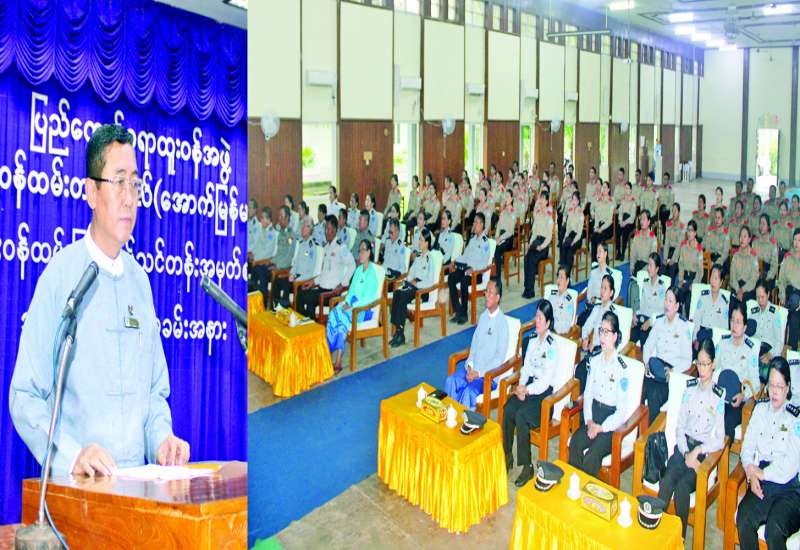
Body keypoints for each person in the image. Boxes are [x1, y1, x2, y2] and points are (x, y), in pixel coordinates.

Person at [10, 123, 189, 476]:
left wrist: (162, 439)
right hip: (80, 491)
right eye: (118, 181)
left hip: (138, 491)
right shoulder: (61, 277)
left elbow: (155, 393)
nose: (129, 198)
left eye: (135, 184)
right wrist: (72, 455)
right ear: (91, 192)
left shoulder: (140, 282)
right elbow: (25, 396)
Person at [657, 338, 726, 539]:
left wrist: (698, 451)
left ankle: (680, 539)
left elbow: (720, 438)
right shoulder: (690, 388)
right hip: (683, 448)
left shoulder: (718, 395)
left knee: (682, 488)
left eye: (706, 364)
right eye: (699, 363)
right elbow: (679, 427)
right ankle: (656, 532)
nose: (702, 369)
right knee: (667, 480)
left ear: (713, 364)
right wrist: (687, 451)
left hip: (701, 454)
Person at [736, 357, 800, 550]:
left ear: (788, 387)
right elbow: (746, 448)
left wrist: (762, 473)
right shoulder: (760, 410)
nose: (774, 391)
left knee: (774, 529)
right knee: (744, 518)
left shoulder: (795, 417)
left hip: (789, 488)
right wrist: (750, 472)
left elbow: (790, 465)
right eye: (771, 385)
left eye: (779, 386)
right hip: (762, 483)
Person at [504, 300, 558, 486]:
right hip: (528, 389)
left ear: (548, 323)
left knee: (522, 416)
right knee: (508, 408)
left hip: (543, 396)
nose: (537, 321)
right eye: (536, 316)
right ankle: (507, 455)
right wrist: (520, 386)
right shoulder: (533, 340)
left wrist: (527, 390)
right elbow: (526, 368)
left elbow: (545, 382)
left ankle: (527, 466)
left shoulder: (552, 346)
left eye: (540, 318)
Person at [568, 311, 629, 477]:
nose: (602, 336)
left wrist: (601, 428)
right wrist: (589, 421)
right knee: (575, 443)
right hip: (593, 416)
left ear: (615, 336)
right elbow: (587, 395)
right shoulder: (594, 361)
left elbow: (621, 411)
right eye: (601, 331)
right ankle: (575, 486)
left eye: (606, 332)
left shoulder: (621, 368)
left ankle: (585, 491)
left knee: (591, 456)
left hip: (610, 425)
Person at [444, 280, 509, 408]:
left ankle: (465, 420)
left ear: (497, 298)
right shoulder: (483, 316)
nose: (486, 295)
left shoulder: (502, 324)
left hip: (488, 377)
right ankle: (450, 416)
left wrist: (478, 373)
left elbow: (498, 359)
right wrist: (470, 366)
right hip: (473, 371)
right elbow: (474, 347)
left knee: (469, 392)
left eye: (490, 292)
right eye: (486, 291)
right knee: (451, 381)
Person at [326, 239, 379, 374]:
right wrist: (347, 302)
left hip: (363, 310)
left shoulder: (372, 273)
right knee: (334, 313)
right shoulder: (358, 270)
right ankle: (327, 354)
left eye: (363, 250)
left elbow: (369, 298)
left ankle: (338, 362)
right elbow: (351, 291)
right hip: (352, 305)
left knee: (342, 319)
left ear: (369, 252)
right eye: (359, 250)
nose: (360, 253)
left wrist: (352, 305)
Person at [641, 287, 692, 423]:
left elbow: (688, 360)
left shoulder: (683, 327)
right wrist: (646, 363)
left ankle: (651, 433)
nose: (666, 304)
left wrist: (673, 371)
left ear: (677, 306)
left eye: (670, 301)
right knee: (639, 388)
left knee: (654, 395)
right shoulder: (658, 322)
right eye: (665, 300)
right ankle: (636, 431)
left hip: (669, 375)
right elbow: (647, 347)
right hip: (654, 368)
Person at [715, 303, 761, 446]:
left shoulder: (750, 349)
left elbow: (756, 384)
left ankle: (720, 457)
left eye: (738, 322)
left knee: (726, 421)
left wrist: (743, 395)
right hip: (720, 395)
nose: (734, 325)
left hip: (737, 401)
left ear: (745, 327)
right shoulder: (722, 343)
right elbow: (713, 367)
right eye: (732, 320)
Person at [296, 215, 355, 319]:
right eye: (325, 229)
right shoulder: (326, 247)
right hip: (321, 288)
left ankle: (310, 324)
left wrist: (342, 284)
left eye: (329, 229)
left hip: (331, 293)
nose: (327, 232)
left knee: (309, 299)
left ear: (335, 230)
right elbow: (324, 273)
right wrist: (313, 282)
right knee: (301, 293)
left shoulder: (341, 247)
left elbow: (352, 265)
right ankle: (305, 323)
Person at [389, 229, 436, 347]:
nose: (419, 242)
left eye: (421, 240)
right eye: (419, 239)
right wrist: (408, 281)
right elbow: (411, 273)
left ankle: (400, 334)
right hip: (413, 287)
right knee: (397, 293)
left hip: (422, 291)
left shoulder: (430, 259)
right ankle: (397, 331)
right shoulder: (418, 257)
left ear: (427, 243)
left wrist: (417, 284)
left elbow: (430, 282)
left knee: (403, 296)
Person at [575, 274, 618, 393]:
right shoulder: (597, 308)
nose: (602, 291)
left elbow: (611, 340)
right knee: (580, 371)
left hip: (603, 353)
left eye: (605, 288)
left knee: (587, 375)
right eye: (601, 287)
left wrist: (595, 345)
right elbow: (586, 326)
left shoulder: (612, 314)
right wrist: (585, 338)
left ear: (611, 293)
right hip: (592, 353)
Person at [447, 212, 491, 325]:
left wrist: (473, 269)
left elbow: (485, 263)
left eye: (476, 222)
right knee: (451, 277)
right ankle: (458, 311)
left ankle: (464, 314)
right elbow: (465, 256)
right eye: (474, 222)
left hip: (476, 274)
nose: (474, 225)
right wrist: (455, 261)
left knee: (464, 281)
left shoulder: (485, 242)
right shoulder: (472, 240)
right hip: (466, 270)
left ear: (482, 224)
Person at [271, 219, 316, 309]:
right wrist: (291, 274)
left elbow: (310, 272)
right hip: (294, 277)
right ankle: (275, 308)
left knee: (286, 285)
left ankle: (284, 309)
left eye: (306, 226)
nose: (303, 228)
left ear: (311, 230)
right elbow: (295, 264)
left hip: (302, 281)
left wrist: (296, 278)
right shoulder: (302, 244)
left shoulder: (312, 247)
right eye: (303, 226)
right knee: (277, 281)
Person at [522, 191, 554, 299]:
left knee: (531, 259)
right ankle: (527, 287)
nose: (541, 201)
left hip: (543, 246)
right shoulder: (538, 214)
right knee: (526, 258)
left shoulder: (549, 217)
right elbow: (534, 232)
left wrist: (542, 246)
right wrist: (529, 244)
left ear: (547, 202)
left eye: (544, 199)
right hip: (536, 242)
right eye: (540, 198)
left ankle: (530, 291)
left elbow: (549, 237)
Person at [751, 279, 785, 383]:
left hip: (768, 350)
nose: (760, 301)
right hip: (754, 349)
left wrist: (770, 354)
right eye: (758, 297)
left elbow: (779, 342)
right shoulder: (753, 312)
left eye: (762, 297)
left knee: (765, 374)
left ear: (768, 294)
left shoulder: (774, 313)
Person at [631, 253, 666, 347]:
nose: (648, 268)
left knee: (644, 339)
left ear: (657, 269)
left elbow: (662, 312)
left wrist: (650, 321)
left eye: (651, 265)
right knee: (630, 337)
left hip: (652, 324)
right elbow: (642, 306)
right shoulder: (645, 283)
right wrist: (635, 314)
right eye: (648, 265)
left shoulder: (661, 287)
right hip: (642, 320)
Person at [692, 264, 730, 347]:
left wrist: (719, 344)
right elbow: (696, 319)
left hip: (714, 337)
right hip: (701, 335)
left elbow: (724, 327)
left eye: (716, 278)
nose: (713, 281)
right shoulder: (703, 297)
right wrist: (695, 339)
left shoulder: (724, 303)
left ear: (721, 282)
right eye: (712, 277)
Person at [577, 243, 613, 327]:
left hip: (601, 309)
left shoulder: (608, 274)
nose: (598, 254)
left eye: (600, 251)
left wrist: (596, 300)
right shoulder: (593, 272)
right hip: (590, 307)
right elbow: (589, 290)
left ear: (605, 254)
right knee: (579, 322)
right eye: (597, 252)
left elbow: (608, 298)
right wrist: (589, 300)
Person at [675, 220, 704, 315]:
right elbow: (681, 265)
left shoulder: (699, 249)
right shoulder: (683, 246)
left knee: (688, 303)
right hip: (684, 278)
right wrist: (680, 279)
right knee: (676, 297)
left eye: (691, 231)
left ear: (695, 233)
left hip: (693, 279)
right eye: (688, 230)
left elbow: (700, 271)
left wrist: (694, 284)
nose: (689, 233)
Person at [779, 228, 800, 349]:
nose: (796, 243)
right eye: (795, 240)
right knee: (794, 312)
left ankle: (791, 348)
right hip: (788, 294)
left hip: (798, 297)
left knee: (794, 315)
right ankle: (791, 349)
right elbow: (781, 280)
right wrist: (782, 295)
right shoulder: (787, 257)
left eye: (799, 240)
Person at [730, 225, 760, 311]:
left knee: (743, 303)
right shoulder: (735, 256)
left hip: (748, 289)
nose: (742, 239)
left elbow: (753, 279)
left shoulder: (753, 256)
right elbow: (732, 277)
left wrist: (742, 290)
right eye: (740, 236)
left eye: (745, 236)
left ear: (749, 239)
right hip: (736, 286)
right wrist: (738, 290)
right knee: (731, 302)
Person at [494, 190, 517, 281]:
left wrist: (500, 238)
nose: (505, 198)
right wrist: (496, 237)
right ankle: (490, 275)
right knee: (490, 246)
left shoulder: (513, 212)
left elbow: (510, 231)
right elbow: (499, 225)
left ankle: (497, 279)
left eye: (507, 197)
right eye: (505, 196)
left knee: (497, 250)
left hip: (508, 239)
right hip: (500, 236)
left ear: (511, 199)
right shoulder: (503, 211)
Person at [560, 191, 584, 277]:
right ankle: (563, 270)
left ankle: (567, 275)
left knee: (569, 250)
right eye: (572, 199)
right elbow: (568, 228)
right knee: (564, 245)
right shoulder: (570, 211)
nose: (573, 201)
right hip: (570, 235)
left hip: (577, 238)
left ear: (578, 201)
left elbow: (580, 233)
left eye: (575, 200)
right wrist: (565, 237)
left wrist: (573, 242)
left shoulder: (581, 213)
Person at [753, 214, 779, 292]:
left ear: (768, 227)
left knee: (762, 288)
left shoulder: (773, 243)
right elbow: (752, 261)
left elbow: (774, 266)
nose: (761, 226)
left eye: (763, 224)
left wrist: (767, 278)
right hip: (756, 273)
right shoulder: (755, 242)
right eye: (760, 223)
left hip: (768, 275)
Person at [546, 266, 575, 335]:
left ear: (567, 281)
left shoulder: (569, 302)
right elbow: (545, 312)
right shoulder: (552, 295)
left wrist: (551, 325)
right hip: (545, 330)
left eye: (561, 277)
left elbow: (566, 327)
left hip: (556, 334)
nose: (558, 280)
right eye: (558, 277)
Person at [590, 180, 614, 259]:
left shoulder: (611, 201)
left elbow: (609, 220)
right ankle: (594, 261)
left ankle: (604, 260)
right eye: (602, 187)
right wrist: (596, 227)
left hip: (607, 227)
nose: (603, 189)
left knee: (599, 238)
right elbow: (597, 216)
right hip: (599, 225)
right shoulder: (599, 200)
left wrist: (601, 228)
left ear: (608, 189)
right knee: (593, 236)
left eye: (605, 187)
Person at [630, 209, 658, 275]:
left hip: (648, 267)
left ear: (648, 222)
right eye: (641, 219)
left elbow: (653, 260)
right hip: (638, 265)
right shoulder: (637, 235)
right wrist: (632, 267)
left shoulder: (653, 238)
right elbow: (633, 254)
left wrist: (643, 272)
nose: (641, 221)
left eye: (644, 219)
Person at [705, 208, 731, 276]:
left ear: (723, 219)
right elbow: (707, 249)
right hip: (711, 258)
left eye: (719, 218)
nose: (717, 220)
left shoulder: (726, 234)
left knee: (715, 271)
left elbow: (725, 253)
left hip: (721, 260)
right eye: (716, 217)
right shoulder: (710, 233)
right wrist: (709, 261)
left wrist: (716, 263)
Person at [662, 203, 685, 279]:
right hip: (669, 252)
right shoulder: (668, 224)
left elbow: (679, 246)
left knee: (671, 270)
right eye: (672, 211)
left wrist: (673, 260)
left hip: (677, 255)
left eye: (675, 211)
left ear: (679, 212)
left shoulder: (682, 226)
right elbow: (666, 243)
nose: (673, 213)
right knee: (662, 270)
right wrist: (665, 258)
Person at [616, 182, 637, 261]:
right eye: (625, 188)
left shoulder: (633, 201)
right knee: (617, 231)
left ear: (631, 190)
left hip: (630, 223)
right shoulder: (623, 200)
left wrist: (625, 223)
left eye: (627, 188)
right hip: (623, 221)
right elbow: (620, 212)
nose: (626, 190)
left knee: (625, 233)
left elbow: (632, 216)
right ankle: (618, 252)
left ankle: (623, 253)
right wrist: (620, 220)